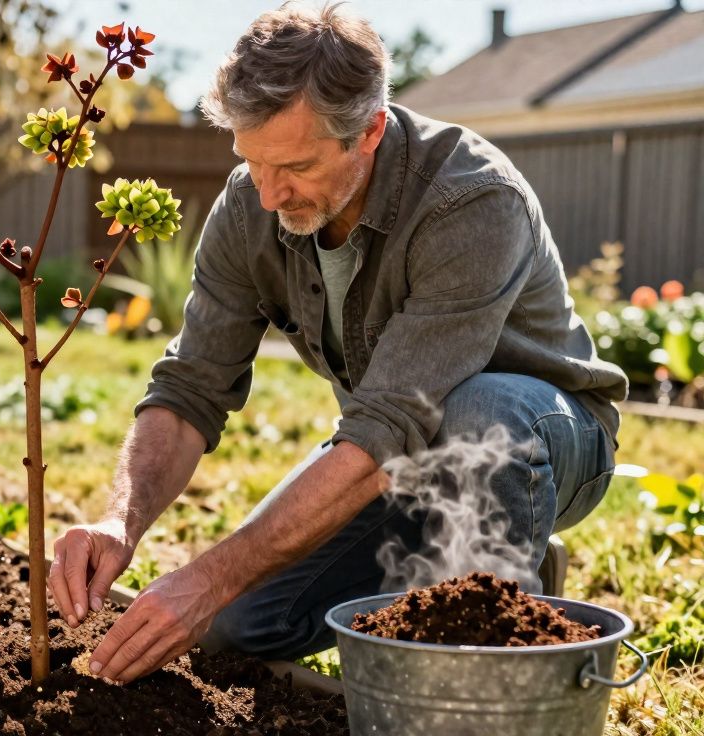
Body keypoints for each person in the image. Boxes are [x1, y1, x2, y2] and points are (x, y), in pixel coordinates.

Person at [48, 3, 629, 685]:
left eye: (293, 165)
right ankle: (446, 558)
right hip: (389, 456)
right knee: (237, 625)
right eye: (252, 163)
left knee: (480, 408)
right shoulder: (249, 205)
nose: (267, 195)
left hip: (546, 442)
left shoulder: (471, 200)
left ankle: (496, 589)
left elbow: (387, 423)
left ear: (369, 131)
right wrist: (121, 521)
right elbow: (188, 390)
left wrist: (209, 573)